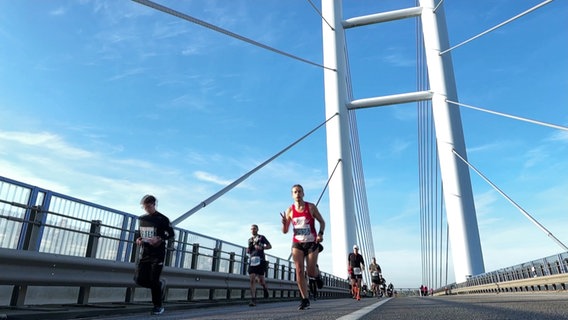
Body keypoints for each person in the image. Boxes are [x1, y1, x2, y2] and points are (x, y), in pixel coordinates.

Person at [281, 184, 325, 310]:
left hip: (311, 242)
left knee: (310, 272)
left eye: (300, 191)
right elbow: (285, 231)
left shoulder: (311, 207)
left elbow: (322, 222)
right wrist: (284, 223)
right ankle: (305, 299)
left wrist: (320, 234)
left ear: (303, 193)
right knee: (299, 270)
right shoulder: (289, 210)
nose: (298, 194)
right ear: (292, 195)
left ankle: (317, 275)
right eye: (295, 192)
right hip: (297, 243)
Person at [134, 194, 175, 315]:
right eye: (144, 207)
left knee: (153, 279)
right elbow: (139, 233)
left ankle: (158, 306)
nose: (146, 209)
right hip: (145, 253)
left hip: (158, 254)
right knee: (139, 280)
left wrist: (160, 238)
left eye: (148, 206)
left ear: (154, 204)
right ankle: (159, 284)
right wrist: (138, 239)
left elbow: (171, 234)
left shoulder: (162, 219)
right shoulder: (142, 218)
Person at [246, 224, 272, 306]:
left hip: (260, 260)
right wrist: (248, 250)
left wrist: (262, 248)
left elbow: (270, 246)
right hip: (252, 261)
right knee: (252, 279)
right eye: (251, 229)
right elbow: (250, 250)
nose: (252, 230)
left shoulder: (261, 237)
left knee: (261, 281)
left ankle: (265, 289)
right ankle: (253, 299)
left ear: (257, 229)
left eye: (254, 228)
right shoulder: (250, 240)